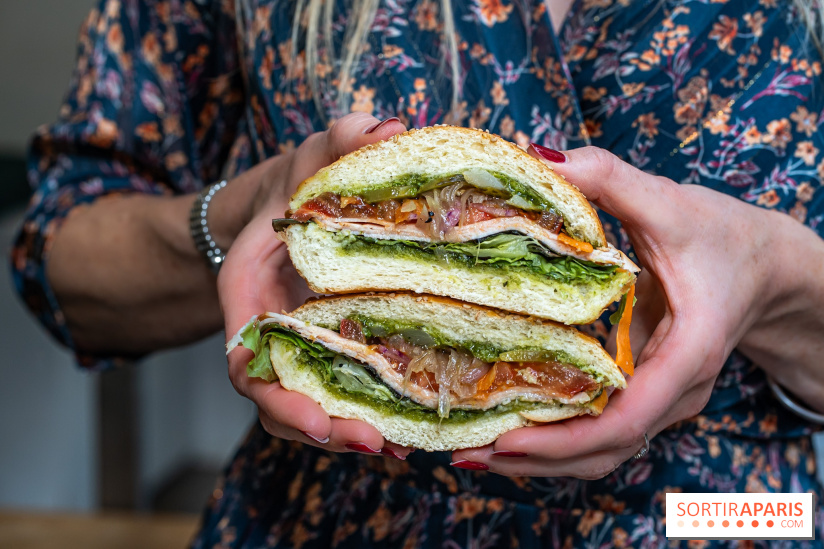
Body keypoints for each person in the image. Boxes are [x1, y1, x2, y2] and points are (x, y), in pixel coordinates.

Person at [11, 0, 824, 546]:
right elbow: (59, 257)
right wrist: (251, 204)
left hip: (728, 511)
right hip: (330, 512)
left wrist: (775, 276)